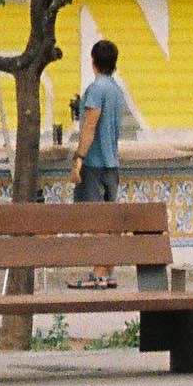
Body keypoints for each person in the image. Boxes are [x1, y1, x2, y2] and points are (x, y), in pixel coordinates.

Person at [70, 39, 133, 288]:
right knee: (108, 218)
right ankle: (107, 271)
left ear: (93, 60)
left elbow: (90, 125)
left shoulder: (96, 89)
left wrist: (79, 158)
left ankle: (98, 271)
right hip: (112, 163)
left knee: (95, 219)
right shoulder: (117, 90)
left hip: (94, 163)